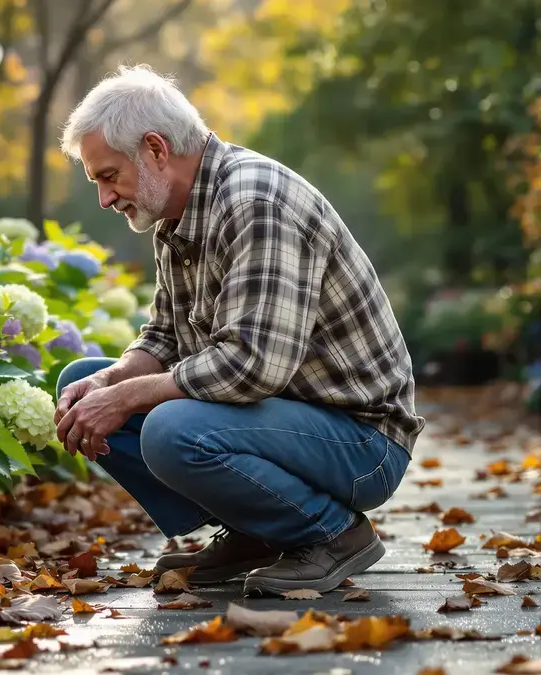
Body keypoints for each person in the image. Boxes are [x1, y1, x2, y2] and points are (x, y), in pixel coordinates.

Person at [53, 64, 426, 595]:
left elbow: (252, 366)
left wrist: (127, 397)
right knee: (85, 379)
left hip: (361, 443)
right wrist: (111, 382)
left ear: (156, 149)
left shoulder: (255, 202)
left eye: (109, 176)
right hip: (279, 421)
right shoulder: (175, 214)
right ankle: (259, 530)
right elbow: (162, 338)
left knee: (169, 428)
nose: (105, 199)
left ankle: (334, 534)